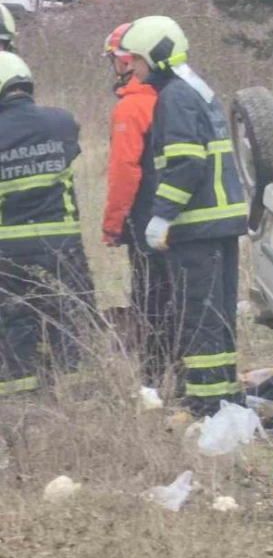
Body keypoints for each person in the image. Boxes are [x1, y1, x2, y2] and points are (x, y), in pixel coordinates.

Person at [118, 16, 248, 416]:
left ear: (156, 57)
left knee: (199, 313)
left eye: (137, 60)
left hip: (197, 225)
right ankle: (225, 394)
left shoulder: (174, 97)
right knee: (220, 313)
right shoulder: (198, 90)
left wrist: (162, 216)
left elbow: (185, 163)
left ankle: (207, 401)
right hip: (221, 222)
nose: (134, 70)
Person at [0, 52, 95, 396]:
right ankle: (80, 400)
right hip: (62, 245)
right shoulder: (61, 121)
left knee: (15, 324)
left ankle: (22, 402)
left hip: (8, 250)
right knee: (69, 319)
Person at [101, 23, 169, 402]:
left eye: (115, 59)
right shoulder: (175, 97)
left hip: (144, 219)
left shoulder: (131, 106)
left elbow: (124, 171)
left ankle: (155, 375)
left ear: (128, 60)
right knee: (178, 294)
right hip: (179, 216)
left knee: (150, 298)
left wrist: (112, 227)